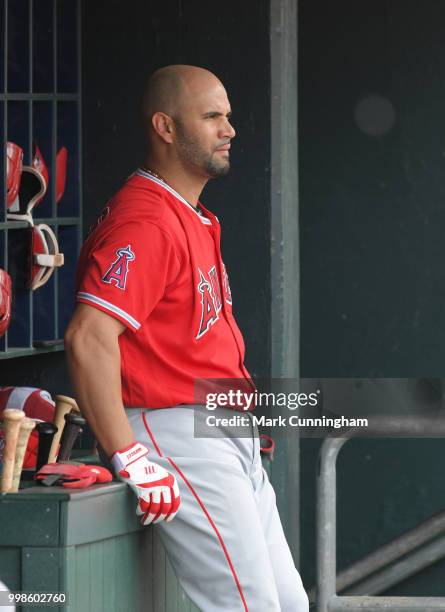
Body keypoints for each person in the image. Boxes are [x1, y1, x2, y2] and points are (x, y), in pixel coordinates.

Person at [64, 64, 309, 612]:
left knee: (289, 605)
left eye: (228, 116)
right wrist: (126, 452)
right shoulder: (146, 221)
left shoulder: (185, 214)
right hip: (175, 425)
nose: (230, 129)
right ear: (166, 127)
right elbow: (88, 336)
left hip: (220, 428)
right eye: (212, 117)